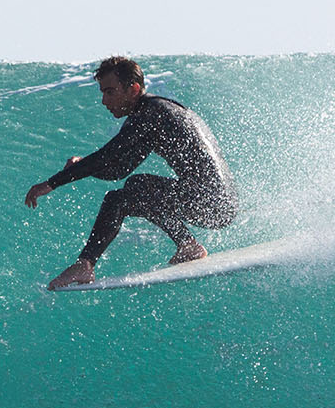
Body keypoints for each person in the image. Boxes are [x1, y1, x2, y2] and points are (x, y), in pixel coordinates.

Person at [25, 57, 238, 290]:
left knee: (118, 198)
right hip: (217, 203)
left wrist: (51, 183)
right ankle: (188, 245)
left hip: (214, 203)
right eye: (102, 93)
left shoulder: (151, 113)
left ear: (133, 89)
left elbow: (108, 156)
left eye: (110, 92)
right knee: (136, 184)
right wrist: (82, 166)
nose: (104, 101)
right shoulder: (153, 113)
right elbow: (119, 169)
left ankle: (85, 265)